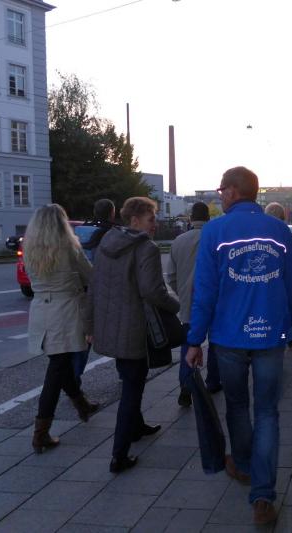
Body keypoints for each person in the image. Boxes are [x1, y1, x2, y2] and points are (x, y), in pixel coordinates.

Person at [187, 166, 292, 524]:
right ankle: (263, 496)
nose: (220, 195)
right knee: (267, 412)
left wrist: (195, 339)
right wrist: (291, 325)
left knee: (237, 406)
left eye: (222, 190)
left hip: (229, 336)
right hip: (270, 336)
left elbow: (205, 291)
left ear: (234, 191)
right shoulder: (279, 230)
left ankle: (244, 465)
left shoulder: (215, 231)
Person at [90, 197, 179, 473]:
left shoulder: (107, 243)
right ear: (135, 220)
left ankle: (137, 427)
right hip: (134, 328)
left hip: (111, 326)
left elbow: (94, 287)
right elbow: (152, 290)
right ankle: (119, 455)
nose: (155, 224)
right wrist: (175, 305)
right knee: (132, 388)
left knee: (128, 378)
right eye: (151, 219)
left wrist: (89, 325)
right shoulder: (146, 248)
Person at [25, 204, 99, 454]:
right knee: (57, 370)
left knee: (61, 363)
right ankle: (40, 433)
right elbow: (91, 276)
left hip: (40, 312)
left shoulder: (30, 249)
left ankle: (82, 404)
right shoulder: (69, 247)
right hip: (66, 311)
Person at [166, 202, 221, 408]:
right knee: (216, 341)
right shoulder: (216, 238)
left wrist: (182, 292)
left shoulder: (179, 241)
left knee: (189, 343)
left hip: (189, 300)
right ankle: (213, 381)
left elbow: (171, 275)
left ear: (190, 218)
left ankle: (186, 386)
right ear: (208, 217)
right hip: (215, 299)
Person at [72, 198, 118, 388]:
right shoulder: (112, 233)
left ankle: (75, 377)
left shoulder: (79, 231)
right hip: (105, 289)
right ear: (112, 213)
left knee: (84, 336)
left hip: (82, 288)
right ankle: (124, 371)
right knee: (117, 331)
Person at [265, 202, 292, 347]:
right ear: (282, 217)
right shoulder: (287, 236)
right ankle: (289, 335)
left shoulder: (261, 236)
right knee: (290, 309)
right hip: (284, 286)